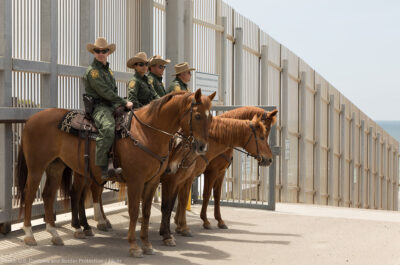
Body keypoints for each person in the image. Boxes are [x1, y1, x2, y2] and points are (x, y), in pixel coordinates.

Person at [83, 37, 133, 181]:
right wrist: (123, 102)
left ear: (108, 52)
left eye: (104, 51)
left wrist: (119, 104)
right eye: (98, 51)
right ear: (94, 52)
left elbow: (113, 90)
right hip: (99, 107)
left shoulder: (108, 71)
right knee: (108, 127)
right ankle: (103, 167)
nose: (101, 53)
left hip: (111, 104)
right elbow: (105, 92)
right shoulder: (93, 72)